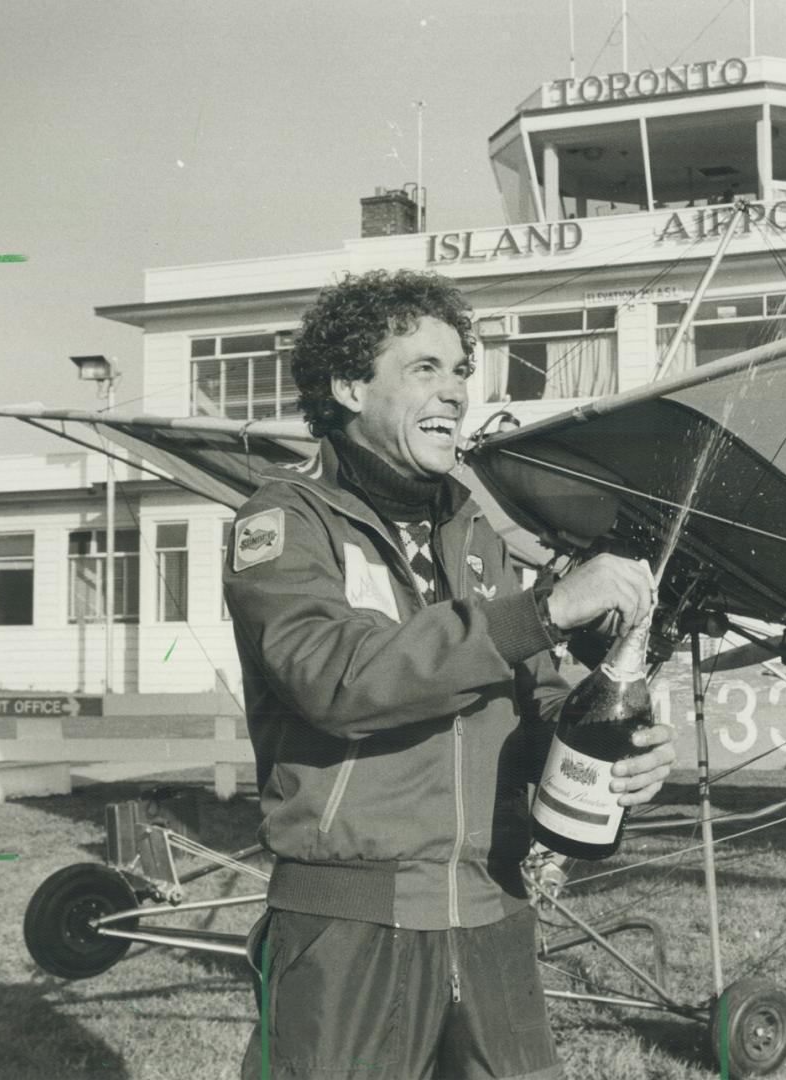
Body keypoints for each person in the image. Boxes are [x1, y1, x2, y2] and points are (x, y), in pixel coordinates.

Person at [225, 268, 675, 1080]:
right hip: (349, 922)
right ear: (348, 386)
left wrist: (612, 749)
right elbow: (335, 678)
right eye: (423, 368)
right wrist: (542, 608)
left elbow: (532, 698)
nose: (456, 391)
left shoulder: (475, 533)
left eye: (462, 370)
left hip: (492, 910)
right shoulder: (282, 520)